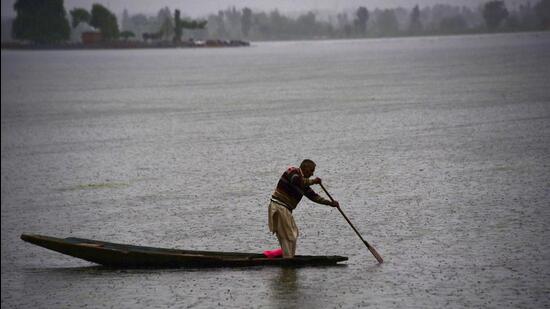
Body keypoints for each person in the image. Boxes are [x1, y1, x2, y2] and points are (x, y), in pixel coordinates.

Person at [268, 159, 339, 258]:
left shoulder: (304, 184)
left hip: (284, 208)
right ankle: (288, 259)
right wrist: (313, 181)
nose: (312, 173)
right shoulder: (293, 172)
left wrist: (330, 203)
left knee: (291, 234)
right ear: (305, 168)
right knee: (290, 235)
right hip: (279, 206)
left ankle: (288, 260)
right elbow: (296, 180)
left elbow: (314, 197)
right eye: (311, 170)